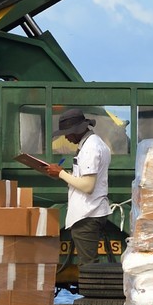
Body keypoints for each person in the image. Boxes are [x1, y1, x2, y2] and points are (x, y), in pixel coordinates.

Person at [40, 108, 115, 265]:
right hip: (91, 212)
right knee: (88, 263)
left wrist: (60, 173)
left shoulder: (90, 149)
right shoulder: (94, 143)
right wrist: (62, 174)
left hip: (88, 214)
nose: (66, 137)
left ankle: (90, 290)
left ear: (77, 131)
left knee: (88, 265)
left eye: (68, 133)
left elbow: (88, 186)